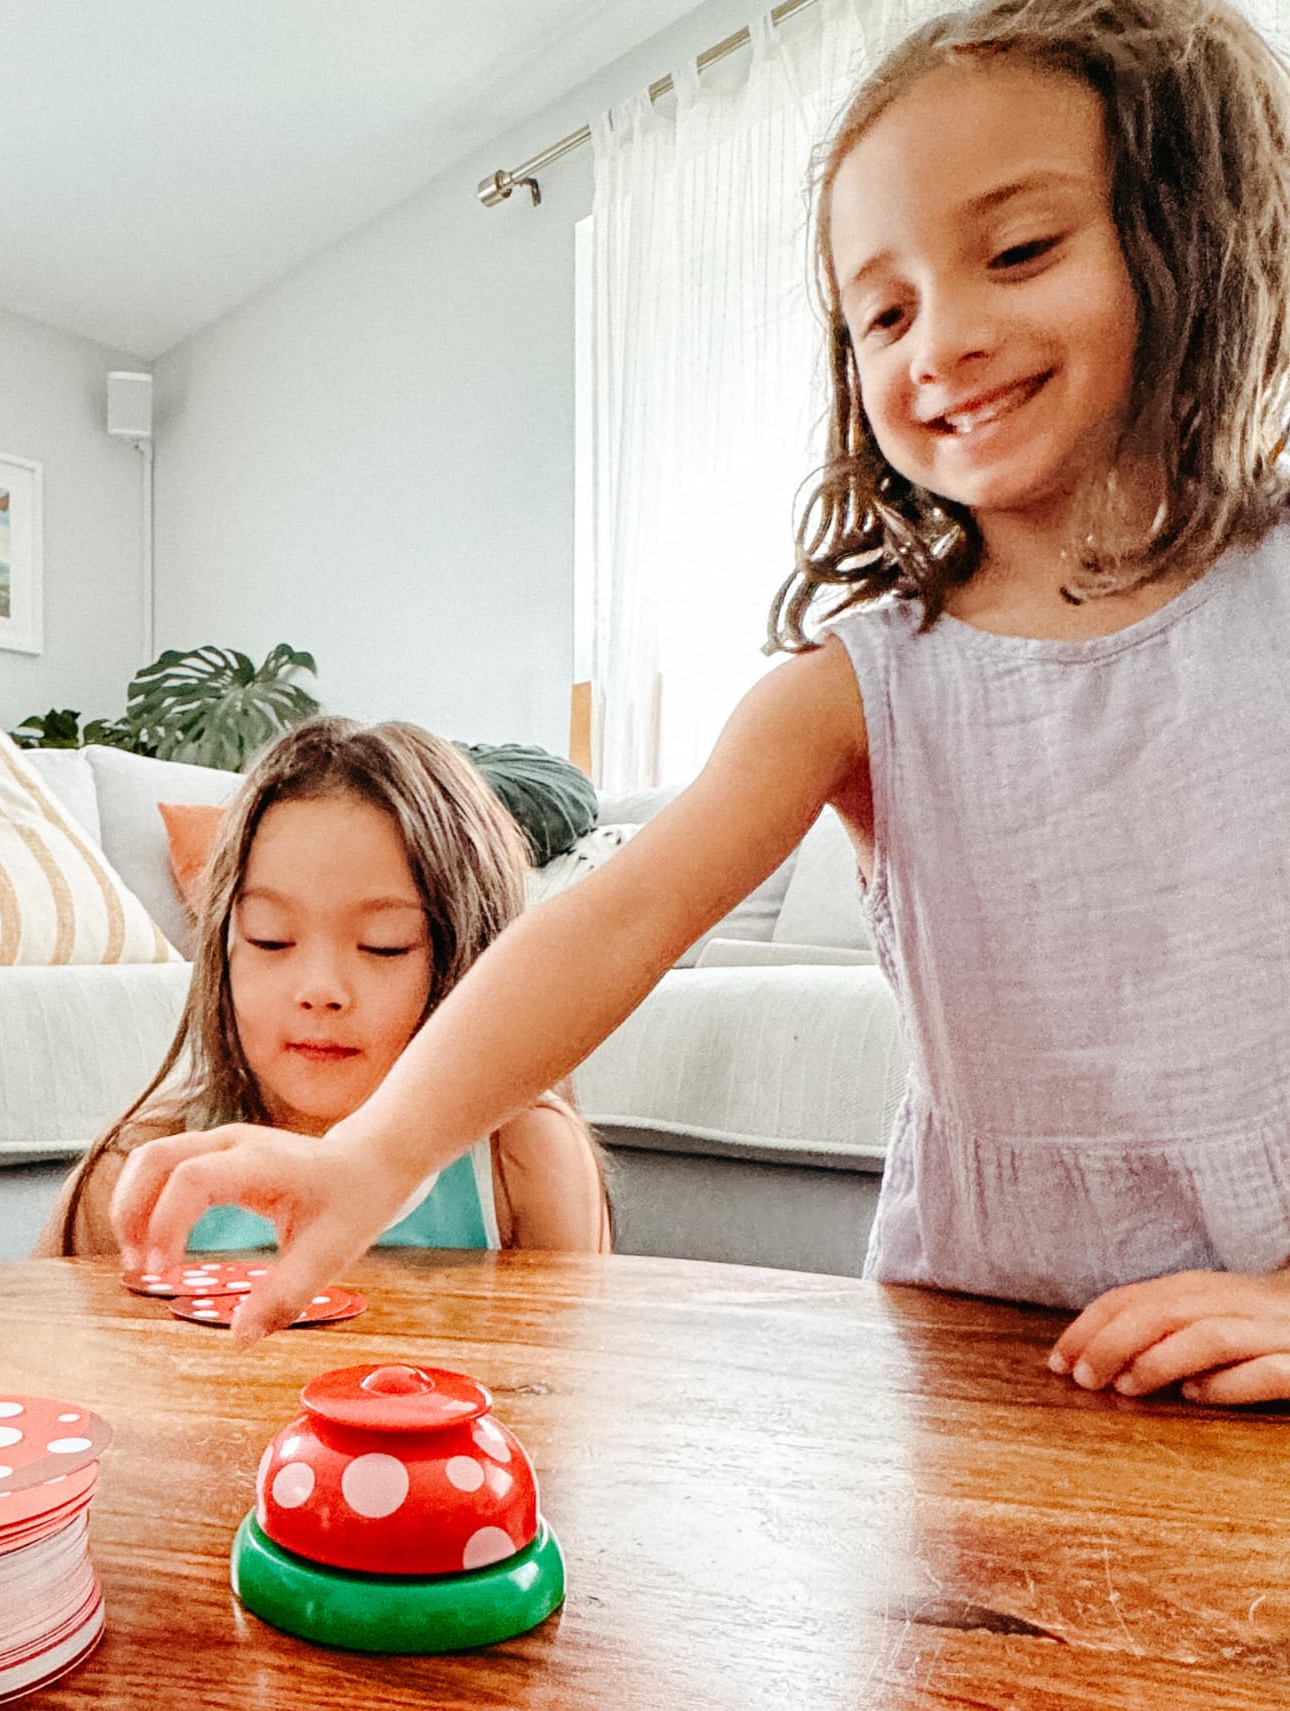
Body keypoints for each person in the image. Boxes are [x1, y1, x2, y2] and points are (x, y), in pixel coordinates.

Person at [115, 0, 1290, 1404]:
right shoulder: (859, 683)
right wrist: (373, 1153)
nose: (943, 340)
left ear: (1201, 233)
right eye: (885, 309)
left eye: (1021, 251)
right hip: (973, 1328)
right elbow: (615, 918)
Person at [37, 716, 609, 1260]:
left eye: (385, 944)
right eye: (271, 939)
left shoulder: (523, 1159)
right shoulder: (142, 1167)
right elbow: (39, 1350)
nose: (319, 991)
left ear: (468, 960)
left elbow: (569, 1360)